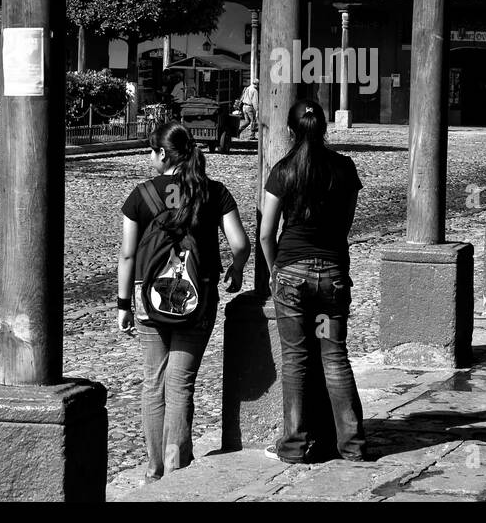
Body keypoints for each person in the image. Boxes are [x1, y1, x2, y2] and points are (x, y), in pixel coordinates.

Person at [117, 121, 250, 481]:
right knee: (181, 383)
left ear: (162, 154)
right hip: (198, 296)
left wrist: (123, 303)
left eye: (151, 150)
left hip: (149, 298)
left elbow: (128, 256)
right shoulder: (213, 192)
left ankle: (153, 468)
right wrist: (236, 271)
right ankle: (177, 468)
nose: (150, 156)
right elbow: (240, 244)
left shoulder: (141, 195)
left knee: (153, 381)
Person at [259, 99, 365, 464]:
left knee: (295, 360)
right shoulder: (344, 168)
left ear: (291, 131)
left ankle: (294, 445)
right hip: (332, 275)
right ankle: (352, 444)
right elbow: (345, 226)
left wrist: (276, 270)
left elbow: (265, 233)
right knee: (335, 356)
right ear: (324, 128)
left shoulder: (282, 171)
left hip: (291, 274)